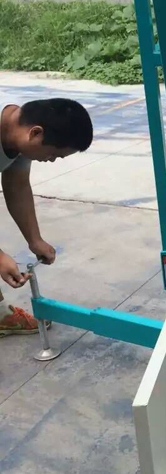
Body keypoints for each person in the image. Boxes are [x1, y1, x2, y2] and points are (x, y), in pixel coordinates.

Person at [0, 99, 93, 336]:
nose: (50, 160)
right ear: (35, 133)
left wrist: (35, 239)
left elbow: (17, 185)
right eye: (52, 154)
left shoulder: (18, 135)